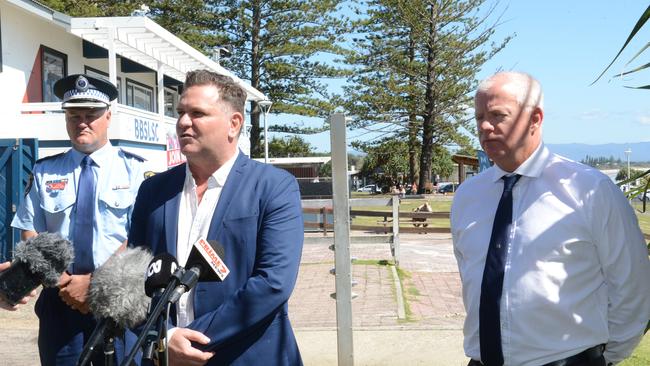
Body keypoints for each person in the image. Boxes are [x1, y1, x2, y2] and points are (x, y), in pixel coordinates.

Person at [451, 71, 650, 366]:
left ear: (535, 119)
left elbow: (633, 289)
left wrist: (604, 358)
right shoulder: (468, 196)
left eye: (497, 115)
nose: (484, 126)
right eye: (479, 117)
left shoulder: (589, 190)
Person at [128, 69, 304, 365]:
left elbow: (273, 282)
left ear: (233, 124)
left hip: (247, 356)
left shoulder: (274, 187)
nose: (183, 121)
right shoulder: (153, 191)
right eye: (181, 111)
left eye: (197, 113)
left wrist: (189, 338)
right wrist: (162, 338)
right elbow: (133, 277)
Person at [11, 74, 147, 365]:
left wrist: (94, 285)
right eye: (74, 115)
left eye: (91, 114)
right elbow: (30, 232)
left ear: (108, 116)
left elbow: (139, 237)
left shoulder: (134, 171)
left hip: (117, 300)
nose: (82, 122)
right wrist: (64, 283)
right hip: (60, 302)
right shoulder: (45, 171)